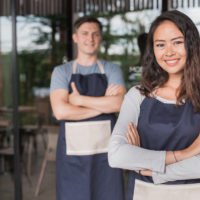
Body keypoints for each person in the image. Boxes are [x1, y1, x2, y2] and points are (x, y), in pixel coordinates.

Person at [108, 10, 200, 200]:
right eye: (160, 45)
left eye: (177, 42)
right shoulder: (137, 95)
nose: (169, 52)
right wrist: (186, 153)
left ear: (191, 45)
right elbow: (116, 155)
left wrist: (147, 164)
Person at [50, 16, 126, 200]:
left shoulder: (112, 69)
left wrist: (78, 99)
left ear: (100, 38)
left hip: (107, 155)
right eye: (84, 33)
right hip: (73, 157)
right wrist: (103, 105)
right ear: (75, 37)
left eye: (95, 34)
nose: (90, 38)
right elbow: (60, 111)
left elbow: (118, 104)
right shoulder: (62, 72)